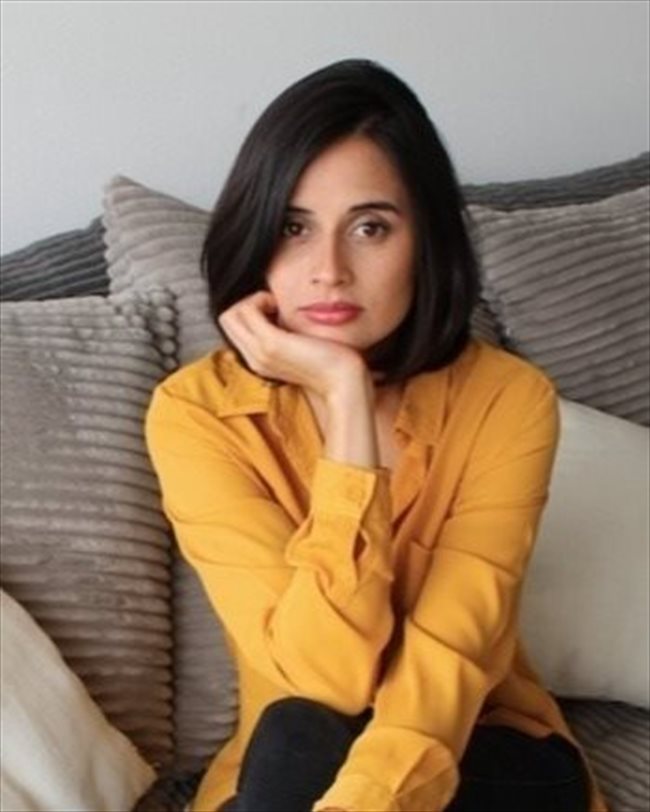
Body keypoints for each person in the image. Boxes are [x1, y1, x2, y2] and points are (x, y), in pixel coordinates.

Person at [145, 59, 607, 812]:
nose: (328, 270)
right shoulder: (196, 414)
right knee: (299, 730)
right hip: (297, 748)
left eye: (370, 228)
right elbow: (324, 680)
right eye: (294, 227)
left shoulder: (509, 400)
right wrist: (347, 406)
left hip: (472, 742)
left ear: (424, 242)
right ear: (254, 236)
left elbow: (450, 656)